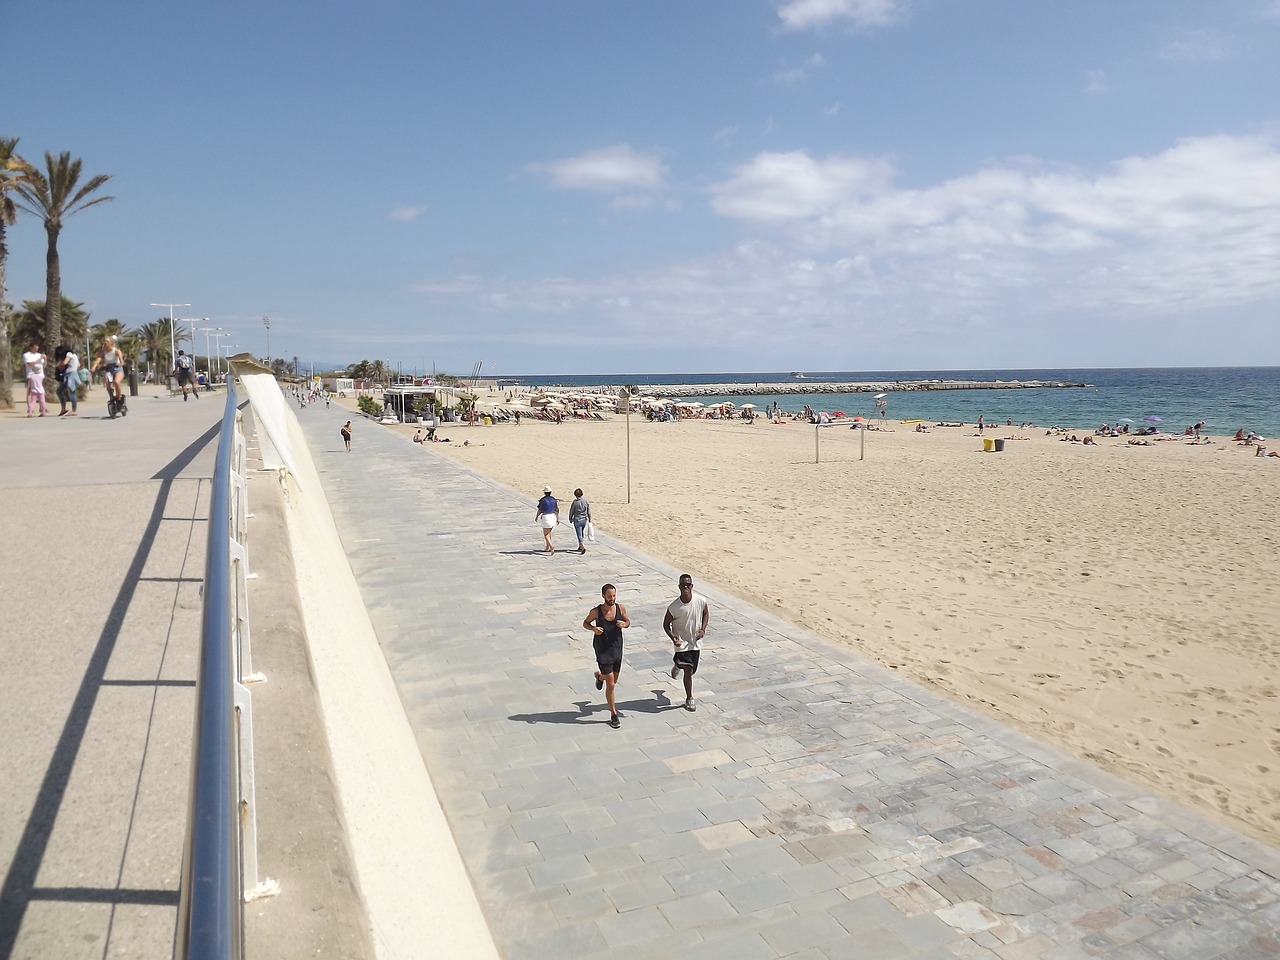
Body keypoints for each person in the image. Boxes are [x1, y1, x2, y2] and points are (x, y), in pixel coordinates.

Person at [582, 583, 630, 729]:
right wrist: (593, 628)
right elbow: (585, 623)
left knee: (613, 680)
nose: (612, 598)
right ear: (603, 596)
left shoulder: (620, 608)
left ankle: (599, 676)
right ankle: (613, 715)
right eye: (609, 596)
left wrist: (625, 624)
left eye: (614, 595)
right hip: (602, 650)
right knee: (610, 684)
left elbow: (628, 621)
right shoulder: (596, 611)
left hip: (616, 648)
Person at [663, 574, 710, 712]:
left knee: (692, 669)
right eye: (683, 585)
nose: (685, 588)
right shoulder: (674, 607)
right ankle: (689, 698)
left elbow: (706, 613)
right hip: (682, 644)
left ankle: (678, 666)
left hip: (695, 642)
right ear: (679, 587)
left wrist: (703, 629)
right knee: (688, 671)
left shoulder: (700, 600)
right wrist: (673, 637)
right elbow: (665, 624)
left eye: (688, 585)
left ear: (692, 586)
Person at [91, 336, 126, 411]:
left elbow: (121, 359)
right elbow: (98, 360)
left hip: (117, 368)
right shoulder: (102, 352)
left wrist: (122, 363)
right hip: (109, 369)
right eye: (104, 341)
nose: (105, 342)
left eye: (107, 341)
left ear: (111, 343)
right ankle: (111, 396)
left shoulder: (116, 350)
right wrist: (94, 367)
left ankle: (119, 398)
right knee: (107, 382)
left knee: (116, 382)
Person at [22, 341, 48, 417]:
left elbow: (44, 365)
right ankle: (30, 409)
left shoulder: (39, 355)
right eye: (34, 347)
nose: (36, 348)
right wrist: (39, 359)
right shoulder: (26, 355)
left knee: (39, 395)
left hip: (40, 375)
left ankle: (42, 410)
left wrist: (45, 359)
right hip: (31, 375)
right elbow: (29, 363)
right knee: (30, 393)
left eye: (37, 347)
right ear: (31, 347)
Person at [55, 345, 80, 416]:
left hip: (71, 374)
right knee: (59, 391)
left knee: (71, 392)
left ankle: (74, 410)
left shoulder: (69, 354)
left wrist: (59, 364)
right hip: (70, 374)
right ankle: (64, 409)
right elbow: (78, 365)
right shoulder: (74, 355)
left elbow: (64, 363)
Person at [535, 485, 559, 553]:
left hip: (546, 517)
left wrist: (536, 516)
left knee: (546, 534)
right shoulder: (554, 499)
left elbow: (540, 510)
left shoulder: (542, 500)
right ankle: (547, 547)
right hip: (553, 516)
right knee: (549, 533)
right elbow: (557, 510)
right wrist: (557, 518)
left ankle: (551, 546)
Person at [568, 488, 592, 554]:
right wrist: (590, 518)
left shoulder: (575, 502)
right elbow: (588, 510)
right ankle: (580, 546)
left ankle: (582, 546)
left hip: (577, 519)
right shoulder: (585, 501)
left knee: (579, 534)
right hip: (584, 519)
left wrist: (570, 518)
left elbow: (571, 511)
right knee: (581, 532)